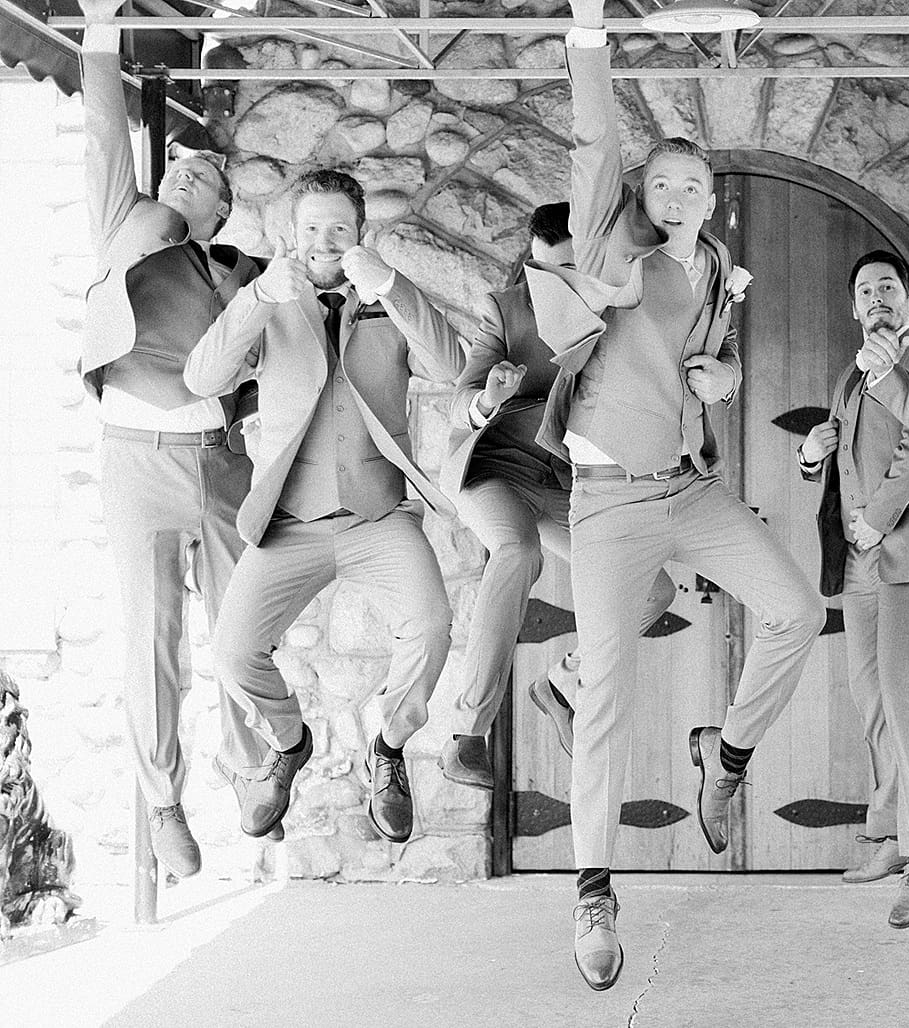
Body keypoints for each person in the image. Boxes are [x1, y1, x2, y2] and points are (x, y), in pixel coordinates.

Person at [535, 0, 825, 990]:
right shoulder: (607, 244)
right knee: (607, 695)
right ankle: (593, 890)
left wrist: (728, 379)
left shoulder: (708, 263)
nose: (675, 191)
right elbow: (592, 137)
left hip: (689, 486)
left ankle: (727, 752)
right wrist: (588, 35)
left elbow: (711, 364)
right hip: (609, 500)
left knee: (792, 607)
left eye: (692, 181)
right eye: (660, 181)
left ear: (708, 196)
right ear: (639, 193)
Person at [184, 170, 465, 847]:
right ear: (291, 234)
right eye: (311, 228)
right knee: (233, 651)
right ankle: (289, 743)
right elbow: (201, 378)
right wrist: (255, 296)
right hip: (290, 523)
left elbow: (453, 366)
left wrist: (393, 287)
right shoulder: (268, 302)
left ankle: (388, 747)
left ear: (359, 234)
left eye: (339, 228)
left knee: (429, 628)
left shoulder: (384, 299)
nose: (324, 241)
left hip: (378, 517)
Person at [77, 0, 268, 878]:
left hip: (218, 461)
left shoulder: (239, 272)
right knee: (152, 637)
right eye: (181, 169)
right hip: (134, 459)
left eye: (203, 181)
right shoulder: (123, 225)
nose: (185, 177)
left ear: (222, 213)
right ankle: (163, 802)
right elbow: (104, 135)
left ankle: (247, 762)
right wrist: (101, 29)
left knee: (237, 626)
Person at [438, 202, 675, 788]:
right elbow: (462, 394)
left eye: (568, 269)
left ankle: (565, 680)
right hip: (498, 472)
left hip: (571, 487)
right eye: (542, 271)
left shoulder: (623, 306)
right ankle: (468, 734)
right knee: (518, 553)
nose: (555, 284)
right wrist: (488, 399)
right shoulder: (506, 307)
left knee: (654, 587)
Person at [798, 249, 909, 929]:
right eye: (865, 290)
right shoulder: (848, 373)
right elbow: (840, 455)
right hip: (860, 558)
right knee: (871, 698)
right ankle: (886, 833)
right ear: (853, 305)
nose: (877, 299)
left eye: (888, 288)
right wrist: (809, 457)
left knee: (903, 694)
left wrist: (876, 517)